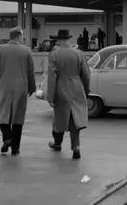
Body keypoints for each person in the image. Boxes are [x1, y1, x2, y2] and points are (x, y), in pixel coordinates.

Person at [0, 27, 36, 156]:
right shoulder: (26, 51)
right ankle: (15, 148)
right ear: (18, 36)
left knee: (1, 114)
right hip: (21, 87)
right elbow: (30, 71)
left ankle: (7, 137)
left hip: (4, 86)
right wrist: (31, 87)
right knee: (18, 118)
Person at [47, 29, 90, 158]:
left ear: (58, 40)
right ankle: (76, 147)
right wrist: (86, 90)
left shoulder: (54, 54)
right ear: (69, 39)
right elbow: (86, 75)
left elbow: (52, 77)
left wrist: (51, 96)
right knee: (74, 119)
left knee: (60, 117)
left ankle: (57, 143)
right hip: (76, 87)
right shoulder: (79, 53)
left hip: (61, 87)